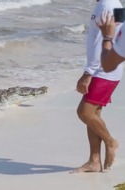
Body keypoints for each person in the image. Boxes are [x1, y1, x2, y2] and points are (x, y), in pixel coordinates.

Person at [73, 0, 124, 173]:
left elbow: (102, 41)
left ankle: (111, 142)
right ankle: (94, 161)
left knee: (84, 112)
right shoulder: (112, 3)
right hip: (104, 69)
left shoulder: (107, 5)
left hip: (104, 72)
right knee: (93, 115)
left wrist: (88, 73)